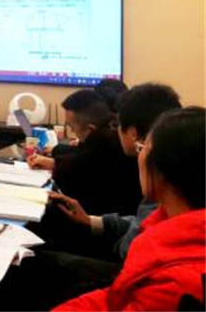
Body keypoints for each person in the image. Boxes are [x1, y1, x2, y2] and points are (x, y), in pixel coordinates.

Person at [55, 106, 205, 311]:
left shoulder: (177, 286)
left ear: (164, 167)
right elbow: (116, 296)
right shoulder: (166, 220)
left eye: (142, 148)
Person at [50, 83, 182, 259]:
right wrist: (92, 221)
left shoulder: (159, 179)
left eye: (118, 124)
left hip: (127, 264)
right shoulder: (176, 166)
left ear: (133, 134)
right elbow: (142, 221)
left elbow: (132, 249)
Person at [29, 89, 141, 216]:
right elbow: (81, 153)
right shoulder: (109, 131)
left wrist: (55, 164)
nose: (72, 131)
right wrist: (55, 161)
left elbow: (78, 167)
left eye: (72, 127)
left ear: (90, 129)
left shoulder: (106, 143)